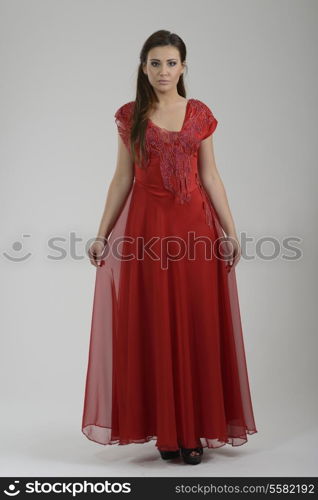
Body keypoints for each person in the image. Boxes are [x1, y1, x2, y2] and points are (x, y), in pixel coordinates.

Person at [82, 30, 258, 465]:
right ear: (144, 67)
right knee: (156, 321)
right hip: (147, 232)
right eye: (155, 63)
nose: (164, 70)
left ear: (183, 67)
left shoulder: (198, 113)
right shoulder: (130, 116)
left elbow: (211, 176)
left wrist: (230, 231)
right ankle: (167, 431)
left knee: (197, 320)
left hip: (195, 231)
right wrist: (102, 232)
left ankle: (195, 430)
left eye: (171, 62)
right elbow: (122, 178)